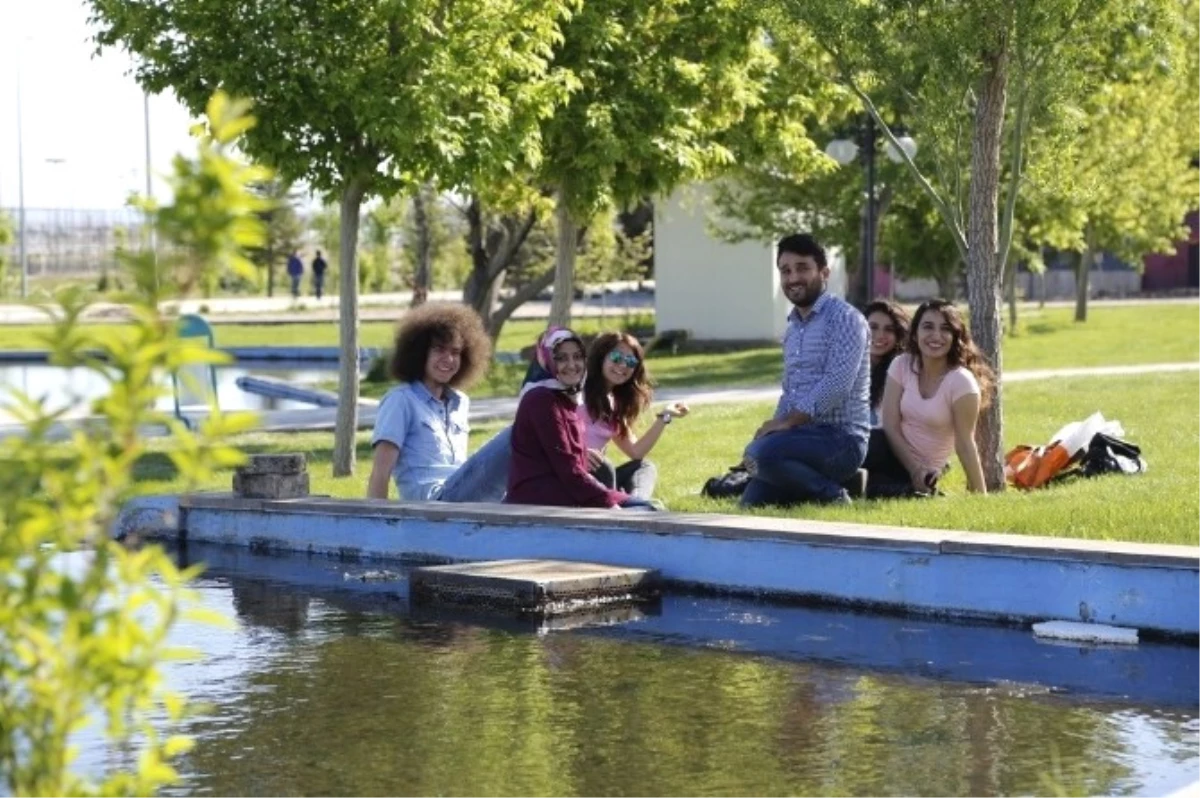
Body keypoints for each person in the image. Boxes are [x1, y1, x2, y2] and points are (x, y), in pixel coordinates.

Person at [741, 233, 871, 507]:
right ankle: (818, 483)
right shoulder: (793, 328)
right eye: (785, 271)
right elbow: (790, 393)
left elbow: (836, 385)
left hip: (842, 439)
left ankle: (833, 495)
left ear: (824, 272)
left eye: (802, 268)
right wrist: (773, 429)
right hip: (802, 439)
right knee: (752, 500)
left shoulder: (846, 318)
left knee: (761, 456)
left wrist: (786, 424)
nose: (793, 278)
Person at [366, 303, 511, 502]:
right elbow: (380, 472)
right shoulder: (401, 400)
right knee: (518, 432)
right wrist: (377, 527)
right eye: (439, 349)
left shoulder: (460, 403)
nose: (448, 359)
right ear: (419, 352)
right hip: (433, 502)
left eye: (455, 352)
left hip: (462, 499)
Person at [505, 327, 656, 509]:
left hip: (569, 489)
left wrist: (665, 418)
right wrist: (612, 504)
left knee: (644, 493)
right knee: (625, 491)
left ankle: (637, 500)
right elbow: (570, 470)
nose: (572, 365)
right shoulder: (542, 400)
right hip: (543, 498)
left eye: (577, 357)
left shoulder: (565, 399)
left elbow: (634, 452)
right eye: (561, 358)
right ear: (546, 358)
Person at [870, 299, 995, 495]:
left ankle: (911, 491)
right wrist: (914, 469)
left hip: (924, 468)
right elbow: (890, 425)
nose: (936, 336)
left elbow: (965, 443)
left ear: (955, 336)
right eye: (928, 327)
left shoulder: (962, 382)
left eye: (945, 329)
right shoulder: (902, 364)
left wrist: (981, 494)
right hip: (889, 450)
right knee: (855, 446)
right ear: (915, 333)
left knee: (870, 485)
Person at [581, 331, 688, 499]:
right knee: (605, 466)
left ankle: (637, 506)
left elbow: (636, 452)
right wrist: (576, 452)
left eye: (631, 361)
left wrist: (665, 416)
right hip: (573, 471)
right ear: (601, 357)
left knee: (644, 467)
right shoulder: (577, 391)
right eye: (617, 358)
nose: (623, 365)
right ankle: (619, 503)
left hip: (599, 475)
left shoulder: (614, 405)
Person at [863, 300, 911, 426]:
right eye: (873, 327)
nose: (880, 335)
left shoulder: (903, 371)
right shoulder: (847, 365)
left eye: (889, 329)